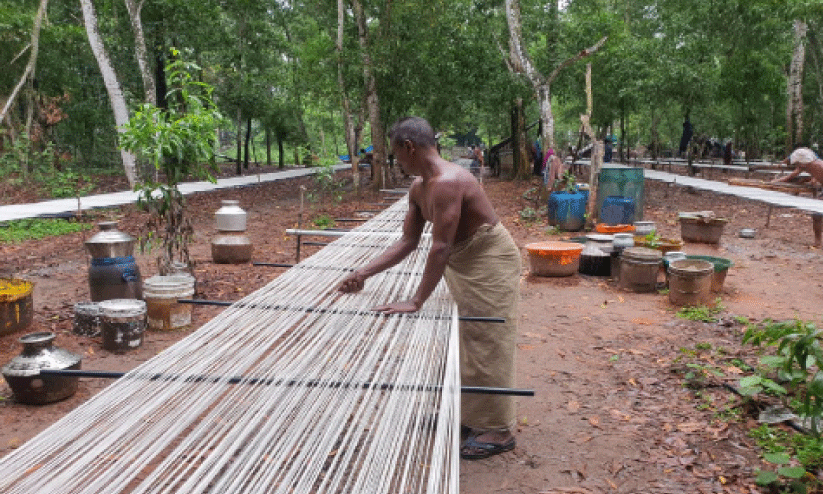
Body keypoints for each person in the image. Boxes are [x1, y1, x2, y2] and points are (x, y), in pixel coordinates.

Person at [337, 116, 521, 460]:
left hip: (488, 261)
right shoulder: (419, 188)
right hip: (462, 260)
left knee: (487, 338)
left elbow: (440, 248)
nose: (396, 162)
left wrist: (417, 299)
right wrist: (363, 273)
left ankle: (497, 429)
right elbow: (408, 241)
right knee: (465, 338)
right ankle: (469, 415)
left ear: (409, 147)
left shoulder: (449, 182)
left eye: (396, 154)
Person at [772, 147, 823, 247]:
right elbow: (791, 176)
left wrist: (813, 180)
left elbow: (815, 176)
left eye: (797, 163)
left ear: (802, 162)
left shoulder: (817, 165)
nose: (797, 165)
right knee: (817, 215)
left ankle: (818, 242)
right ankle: (818, 242)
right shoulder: (807, 165)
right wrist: (776, 181)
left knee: (817, 213)